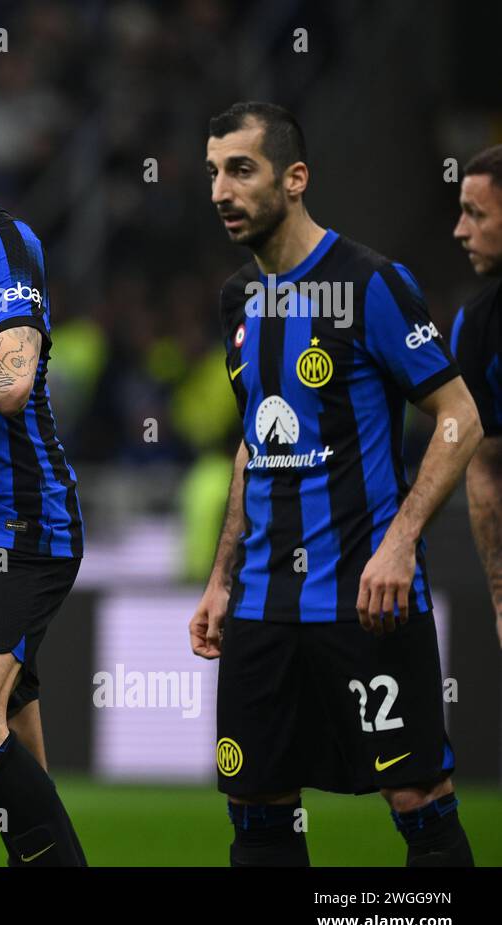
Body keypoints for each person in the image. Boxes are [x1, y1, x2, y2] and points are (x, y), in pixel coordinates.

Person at [189, 102, 481, 866]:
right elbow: (256, 444)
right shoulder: (238, 301)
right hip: (259, 606)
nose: (221, 189)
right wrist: (221, 577)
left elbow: (459, 417)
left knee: (418, 800)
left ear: (295, 178)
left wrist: (400, 544)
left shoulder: (372, 283)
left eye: (241, 170)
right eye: (213, 172)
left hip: (366, 595)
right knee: (255, 811)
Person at [448, 143, 502, 649]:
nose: (460, 230)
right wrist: (501, 595)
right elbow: (484, 461)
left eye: (475, 214)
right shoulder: (476, 328)